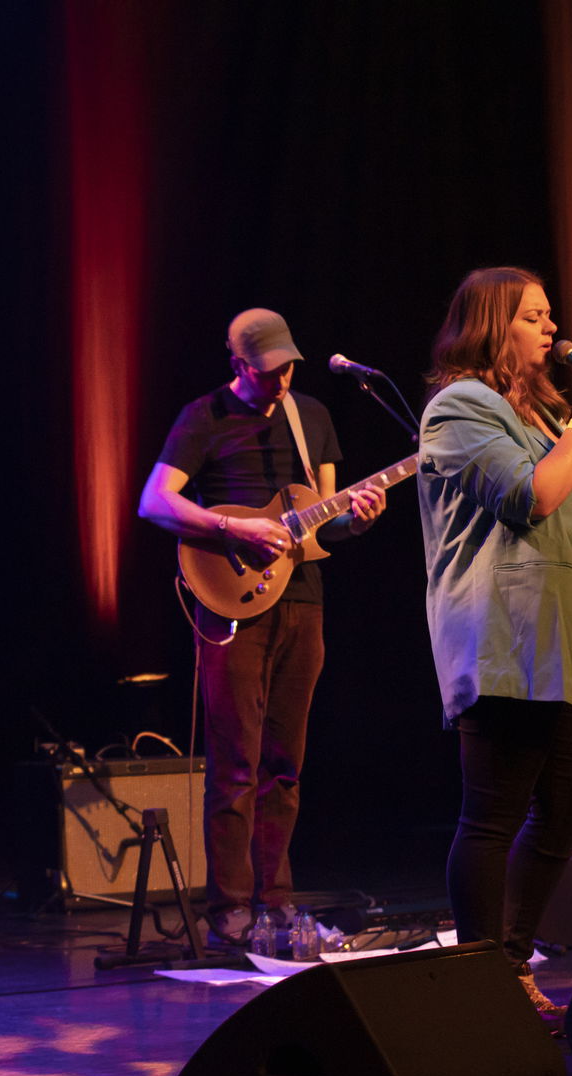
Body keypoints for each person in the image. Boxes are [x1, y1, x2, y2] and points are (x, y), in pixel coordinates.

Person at [415, 267, 572, 1015]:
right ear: (493, 325)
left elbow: (563, 510)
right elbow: (528, 499)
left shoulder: (540, 416)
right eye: (534, 316)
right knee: (491, 814)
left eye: (551, 315)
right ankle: (483, 970)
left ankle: (510, 959)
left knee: (568, 810)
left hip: (566, 642)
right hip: (505, 642)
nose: (552, 328)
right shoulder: (459, 407)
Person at [139, 308, 386, 944]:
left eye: (288, 368)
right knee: (235, 763)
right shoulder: (204, 417)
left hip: (302, 601)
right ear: (239, 364)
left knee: (286, 763)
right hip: (230, 605)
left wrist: (356, 518)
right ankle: (229, 908)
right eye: (268, 371)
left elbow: (324, 520)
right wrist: (233, 527)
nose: (281, 381)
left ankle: (274, 902)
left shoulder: (314, 418)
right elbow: (154, 500)